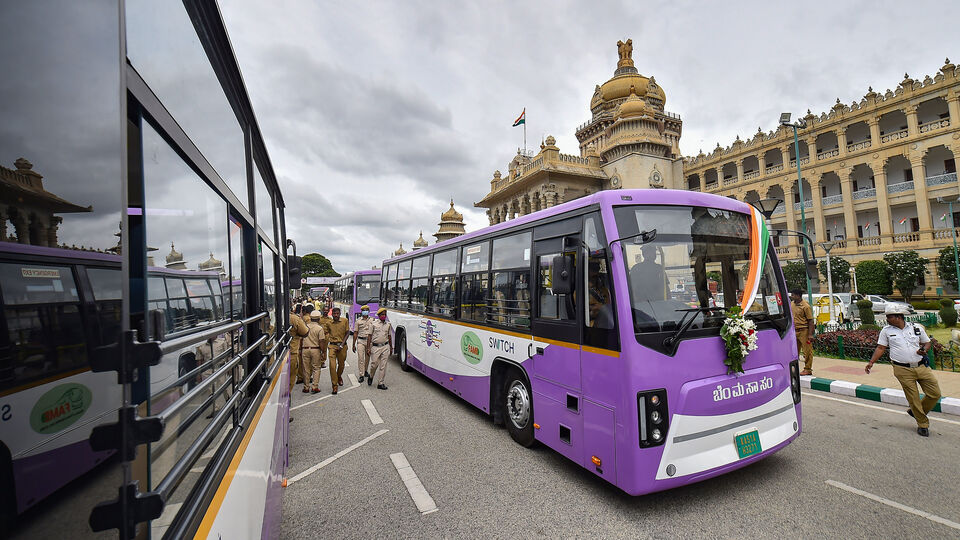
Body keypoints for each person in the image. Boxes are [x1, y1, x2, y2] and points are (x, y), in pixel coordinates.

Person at [865, 304, 942, 437]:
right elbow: (880, 348)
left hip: (921, 366)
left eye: (889, 317)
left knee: (935, 393)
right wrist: (871, 362)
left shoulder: (916, 327)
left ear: (898, 317)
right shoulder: (886, 331)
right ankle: (923, 424)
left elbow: (927, 342)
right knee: (914, 398)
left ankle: (915, 412)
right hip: (902, 369)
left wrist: (924, 349)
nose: (887, 319)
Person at [790, 289, 815, 376]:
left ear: (798, 296)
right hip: (794, 331)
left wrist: (810, 334)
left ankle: (808, 369)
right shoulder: (792, 304)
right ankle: (794, 368)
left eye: (793, 295)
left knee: (807, 351)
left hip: (804, 331)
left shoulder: (806, 306)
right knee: (794, 351)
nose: (791, 296)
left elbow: (810, 321)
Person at [367, 307, 393, 390]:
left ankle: (380, 383)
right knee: (374, 364)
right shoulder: (373, 324)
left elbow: (389, 336)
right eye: (382, 314)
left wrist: (391, 347)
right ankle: (371, 376)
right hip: (375, 347)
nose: (383, 316)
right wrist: (368, 348)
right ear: (378, 315)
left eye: (385, 314)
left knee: (383, 366)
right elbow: (369, 336)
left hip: (385, 346)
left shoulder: (388, 324)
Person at [325, 306, 350, 394]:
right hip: (332, 346)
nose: (336, 315)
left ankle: (339, 376)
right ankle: (334, 385)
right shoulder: (328, 323)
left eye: (337, 313)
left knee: (341, 365)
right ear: (332, 314)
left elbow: (347, 333)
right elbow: (325, 332)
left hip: (342, 346)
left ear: (340, 314)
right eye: (334, 313)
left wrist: (342, 345)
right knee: (332, 366)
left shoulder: (345, 321)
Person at [302, 310, 327, 394]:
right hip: (315, 349)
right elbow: (321, 341)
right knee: (316, 368)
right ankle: (314, 387)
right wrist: (323, 352)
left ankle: (306, 387)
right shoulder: (319, 328)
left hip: (305, 349)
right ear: (319, 319)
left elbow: (301, 339)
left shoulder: (305, 326)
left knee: (306, 369)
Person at [288, 303, 309, 392]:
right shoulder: (294, 318)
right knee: (290, 380)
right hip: (291, 354)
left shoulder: (273, 316)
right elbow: (305, 332)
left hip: (274, 354)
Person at [353, 304, 374, 383]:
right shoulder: (358, 321)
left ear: (368, 311)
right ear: (361, 312)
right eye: (363, 310)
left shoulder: (372, 320)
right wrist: (353, 344)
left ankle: (365, 371)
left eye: (366, 310)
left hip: (369, 342)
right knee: (361, 358)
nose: (365, 311)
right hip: (360, 341)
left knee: (367, 358)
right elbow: (355, 333)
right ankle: (361, 375)